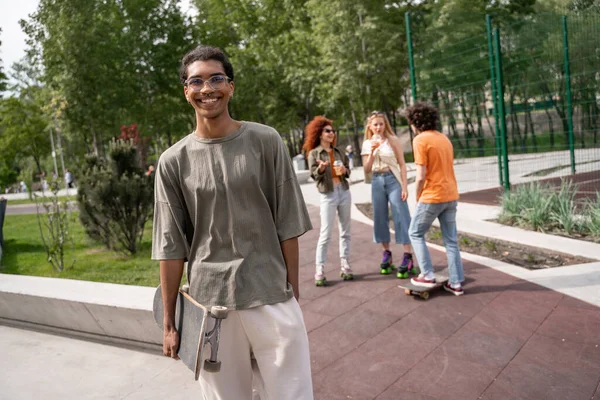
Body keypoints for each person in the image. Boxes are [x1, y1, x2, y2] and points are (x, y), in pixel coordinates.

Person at [151, 45, 314, 399]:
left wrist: (293, 295)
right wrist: (169, 323)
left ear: (231, 86)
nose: (207, 88)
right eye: (197, 81)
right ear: (186, 91)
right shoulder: (172, 161)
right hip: (211, 305)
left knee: (293, 393)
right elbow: (170, 246)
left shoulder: (265, 140)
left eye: (216, 78)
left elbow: (287, 223)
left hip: (270, 294)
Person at [406, 102, 464, 296]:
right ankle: (455, 283)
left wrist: (418, 196)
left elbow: (421, 175)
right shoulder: (444, 138)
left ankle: (427, 274)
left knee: (414, 232)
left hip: (433, 195)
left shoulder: (420, 140)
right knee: (451, 241)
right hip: (450, 194)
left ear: (415, 123)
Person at [361, 111, 414, 278]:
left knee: (401, 214)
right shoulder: (367, 143)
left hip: (393, 180)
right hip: (377, 181)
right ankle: (387, 253)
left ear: (385, 125)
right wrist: (371, 152)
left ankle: (407, 255)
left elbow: (402, 164)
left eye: (381, 124)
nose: (378, 127)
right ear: (370, 126)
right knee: (379, 216)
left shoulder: (393, 140)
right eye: (375, 124)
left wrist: (404, 186)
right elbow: (366, 169)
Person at [304, 116, 352, 286]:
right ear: (319, 133)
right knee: (326, 233)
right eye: (328, 131)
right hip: (328, 194)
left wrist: (345, 169)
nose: (332, 133)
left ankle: (345, 264)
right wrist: (321, 168)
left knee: (345, 231)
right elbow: (313, 174)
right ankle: (320, 268)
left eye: (333, 131)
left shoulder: (339, 151)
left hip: (344, 191)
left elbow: (347, 172)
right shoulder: (314, 153)